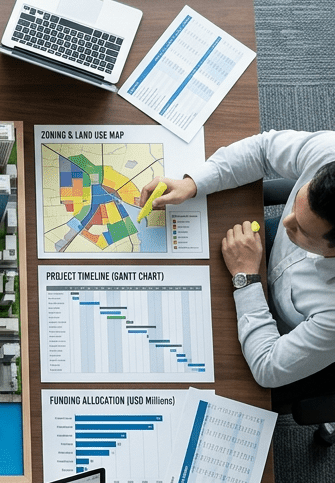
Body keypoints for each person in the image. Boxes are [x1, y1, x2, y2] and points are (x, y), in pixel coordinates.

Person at [138, 129, 335, 389]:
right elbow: (263, 150)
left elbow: (268, 368)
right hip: (257, 256)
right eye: (296, 205)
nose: (285, 220)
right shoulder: (328, 152)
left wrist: (247, 280)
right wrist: (193, 183)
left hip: (281, 327)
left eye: (302, 228)